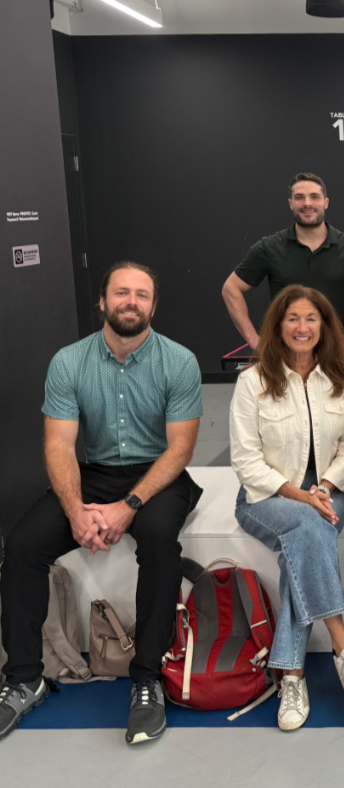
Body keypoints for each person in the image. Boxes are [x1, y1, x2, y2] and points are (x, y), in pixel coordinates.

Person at [0, 262, 204, 745]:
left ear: (153, 305)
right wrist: (76, 510)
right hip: (92, 473)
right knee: (24, 545)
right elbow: (58, 445)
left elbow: (180, 449)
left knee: (159, 542)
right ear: (103, 301)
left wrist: (128, 505)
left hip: (158, 474)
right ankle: (24, 678)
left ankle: (147, 679)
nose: (131, 302)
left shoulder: (179, 362)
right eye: (121, 293)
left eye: (141, 294)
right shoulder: (69, 362)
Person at [230, 285, 344, 730]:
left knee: (304, 540)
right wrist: (301, 496)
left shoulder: (343, 380)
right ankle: (343, 645)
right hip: (266, 496)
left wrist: (324, 488)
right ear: (278, 326)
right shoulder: (252, 382)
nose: (302, 327)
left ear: (324, 327)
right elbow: (246, 461)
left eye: (311, 318)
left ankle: (291, 676)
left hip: (329, 489)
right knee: (311, 528)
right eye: (292, 318)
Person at [222, 172, 344, 347]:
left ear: (326, 203)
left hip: (336, 353)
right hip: (285, 352)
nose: (307, 203)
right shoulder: (269, 248)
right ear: (291, 204)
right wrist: (254, 340)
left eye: (314, 197)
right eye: (299, 197)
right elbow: (231, 289)